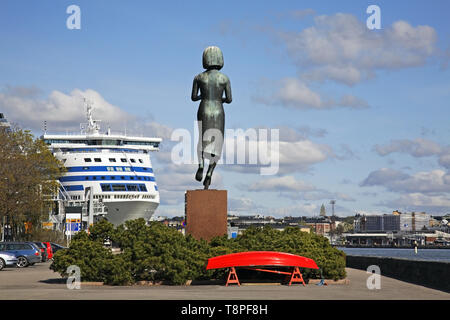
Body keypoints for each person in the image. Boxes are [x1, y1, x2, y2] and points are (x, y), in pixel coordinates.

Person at [191, 46, 232, 189]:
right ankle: (209, 172)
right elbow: (230, 99)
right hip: (219, 110)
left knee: (202, 139)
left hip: (204, 108)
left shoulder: (199, 77)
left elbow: (193, 97)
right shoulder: (224, 78)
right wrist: (220, 99)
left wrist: (205, 95)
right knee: (217, 144)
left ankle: (200, 164)